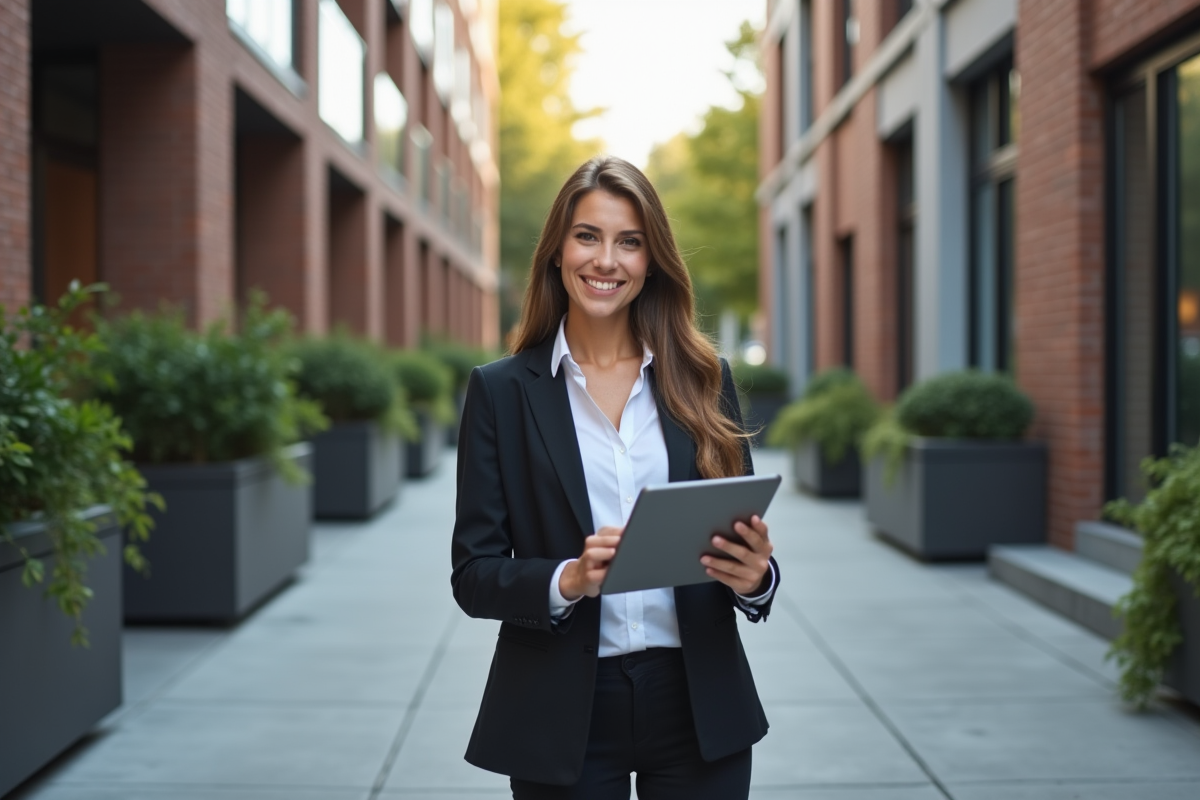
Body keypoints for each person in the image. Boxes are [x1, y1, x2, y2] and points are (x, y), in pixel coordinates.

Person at [451, 155, 779, 800]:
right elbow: (473, 576)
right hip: (562, 708)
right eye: (587, 236)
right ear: (557, 251)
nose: (606, 260)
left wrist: (757, 578)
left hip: (698, 703)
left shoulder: (704, 378)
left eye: (629, 242)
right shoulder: (500, 392)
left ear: (651, 260)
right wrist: (566, 579)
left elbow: (740, 536)